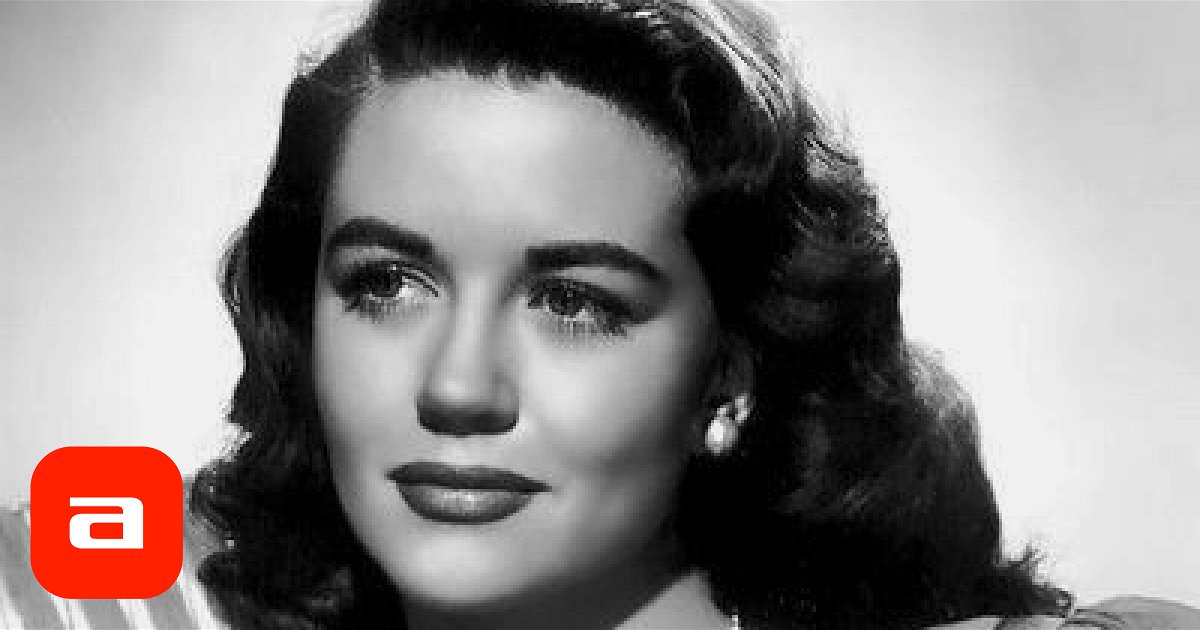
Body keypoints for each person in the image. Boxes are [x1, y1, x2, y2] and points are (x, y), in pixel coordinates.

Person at [5, 0, 1194, 629]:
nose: (458, 387)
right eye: (386, 283)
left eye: (573, 301)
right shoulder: (122, 598)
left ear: (729, 374)